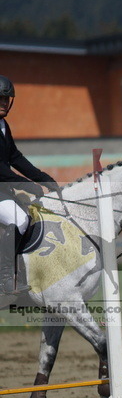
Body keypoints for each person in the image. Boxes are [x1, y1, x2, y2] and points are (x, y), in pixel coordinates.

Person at [0, 75, 58, 295]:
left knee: (34, 216)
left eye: (7, 99)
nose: (4, 103)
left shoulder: (3, 125)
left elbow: (15, 157)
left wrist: (42, 178)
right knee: (19, 219)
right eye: (0, 99)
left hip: (3, 190)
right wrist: (26, 184)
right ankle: (6, 279)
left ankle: (26, 273)